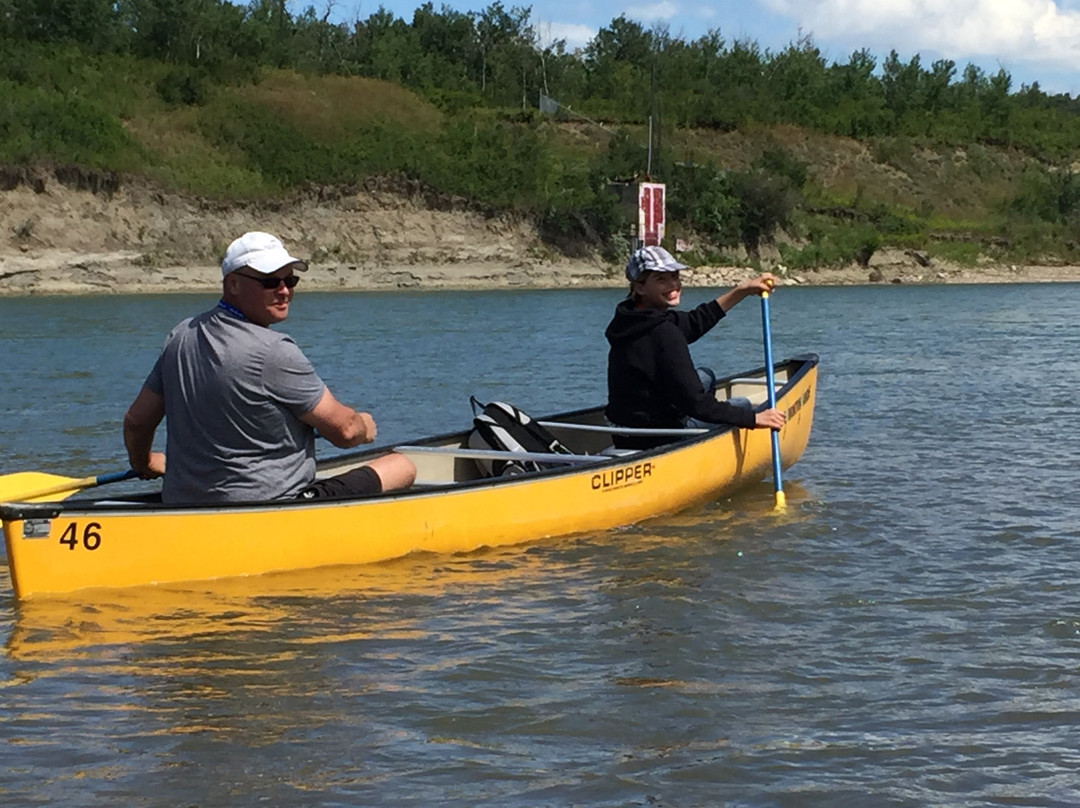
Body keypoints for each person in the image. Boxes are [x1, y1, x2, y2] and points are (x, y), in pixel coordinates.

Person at [123, 231, 416, 504]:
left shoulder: (181, 335)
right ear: (233, 284)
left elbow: (137, 422)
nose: (284, 291)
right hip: (271, 505)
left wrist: (144, 463)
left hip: (183, 503)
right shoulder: (274, 351)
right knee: (402, 465)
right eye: (270, 282)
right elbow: (346, 432)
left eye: (290, 281)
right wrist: (366, 425)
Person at [604, 245, 787, 450]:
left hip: (623, 429)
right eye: (661, 279)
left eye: (674, 276)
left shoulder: (631, 318)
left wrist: (742, 291)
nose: (673, 285)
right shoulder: (664, 333)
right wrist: (753, 418)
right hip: (657, 436)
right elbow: (697, 404)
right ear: (639, 287)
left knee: (705, 375)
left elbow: (694, 322)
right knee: (742, 405)